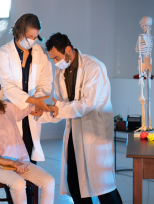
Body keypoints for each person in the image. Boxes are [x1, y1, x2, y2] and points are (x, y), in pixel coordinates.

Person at [37, 32, 123, 204]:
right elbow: (60, 105)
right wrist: (45, 112)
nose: (55, 63)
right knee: (74, 182)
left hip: (94, 133)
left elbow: (87, 104)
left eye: (56, 58)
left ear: (68, 50)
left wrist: (58, 108)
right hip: (74, 132)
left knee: (103, 187)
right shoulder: (60, 72)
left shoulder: (94, 68)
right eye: (52, 59)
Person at [0, 72, 56, 204]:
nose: (1, 89)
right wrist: (12, 163)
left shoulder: (6, 107)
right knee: (18, 183)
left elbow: (28, 108)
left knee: (48, 181)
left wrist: (48, 108)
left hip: (18, 161)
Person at [0, 14, 53, 169]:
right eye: (28, 36)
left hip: (31, 114)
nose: (32, 40)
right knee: (13, 160)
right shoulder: (2, 54)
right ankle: (18, 191)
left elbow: (45, 82)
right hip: (11, 112)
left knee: (29, 158)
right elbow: (8, 87)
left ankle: (28, 191)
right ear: (18, 32)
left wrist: (37, 103)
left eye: (35, 37)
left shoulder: (40, 53)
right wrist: (34, 102)